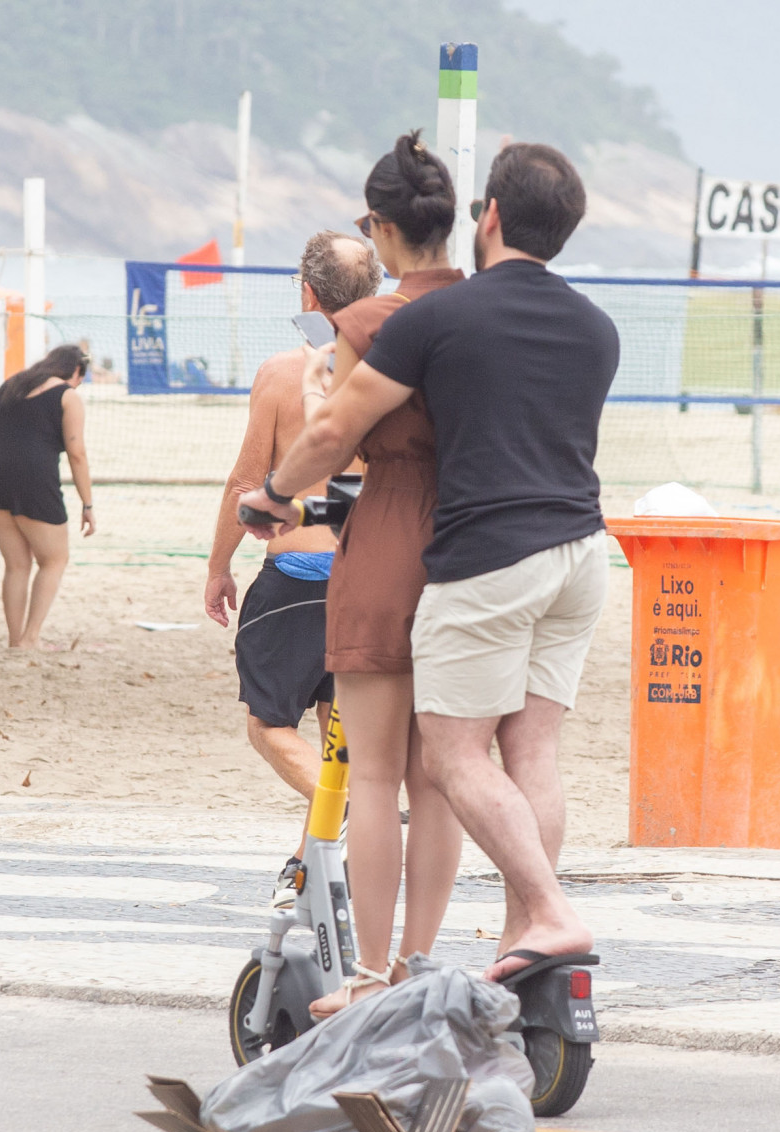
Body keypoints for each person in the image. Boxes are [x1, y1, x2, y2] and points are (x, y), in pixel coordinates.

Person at [241, 142, 617, 982]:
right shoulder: (593, 326)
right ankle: (492, 941)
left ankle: (390, 967)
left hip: (457, 552)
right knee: (515, 760)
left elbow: (335, 433)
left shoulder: (421, 322)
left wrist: (273, 493)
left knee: (408, 768)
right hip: (569, 549)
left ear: (488, 217)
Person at [300, 132, 467, 1017]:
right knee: (438, 775)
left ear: (382, 228)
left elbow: (339, 437)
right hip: (468, 544)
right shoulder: (481, 310)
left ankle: (366, 974)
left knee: (373, 773)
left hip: (389, 532)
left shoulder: (365, 325)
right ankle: (421, 962)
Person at [205, 232, 381, 802]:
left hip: (300, 573)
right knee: (339, 734)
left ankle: (346, 810)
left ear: (308, 294)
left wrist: (219, 567)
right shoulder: (394, 374)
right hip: (367, 572)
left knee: (268, 724)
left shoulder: (285, 372)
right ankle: (312, 867)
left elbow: (246, 481)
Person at [0, 343, 96, 650]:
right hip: (33, 476)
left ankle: (16, 640)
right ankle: (30, 639)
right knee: (54, 560)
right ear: (76, 370)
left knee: (16, 565)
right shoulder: (68, 395)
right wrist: (88, 503)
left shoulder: (9, 387)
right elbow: (77, 454)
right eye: (81, 377)